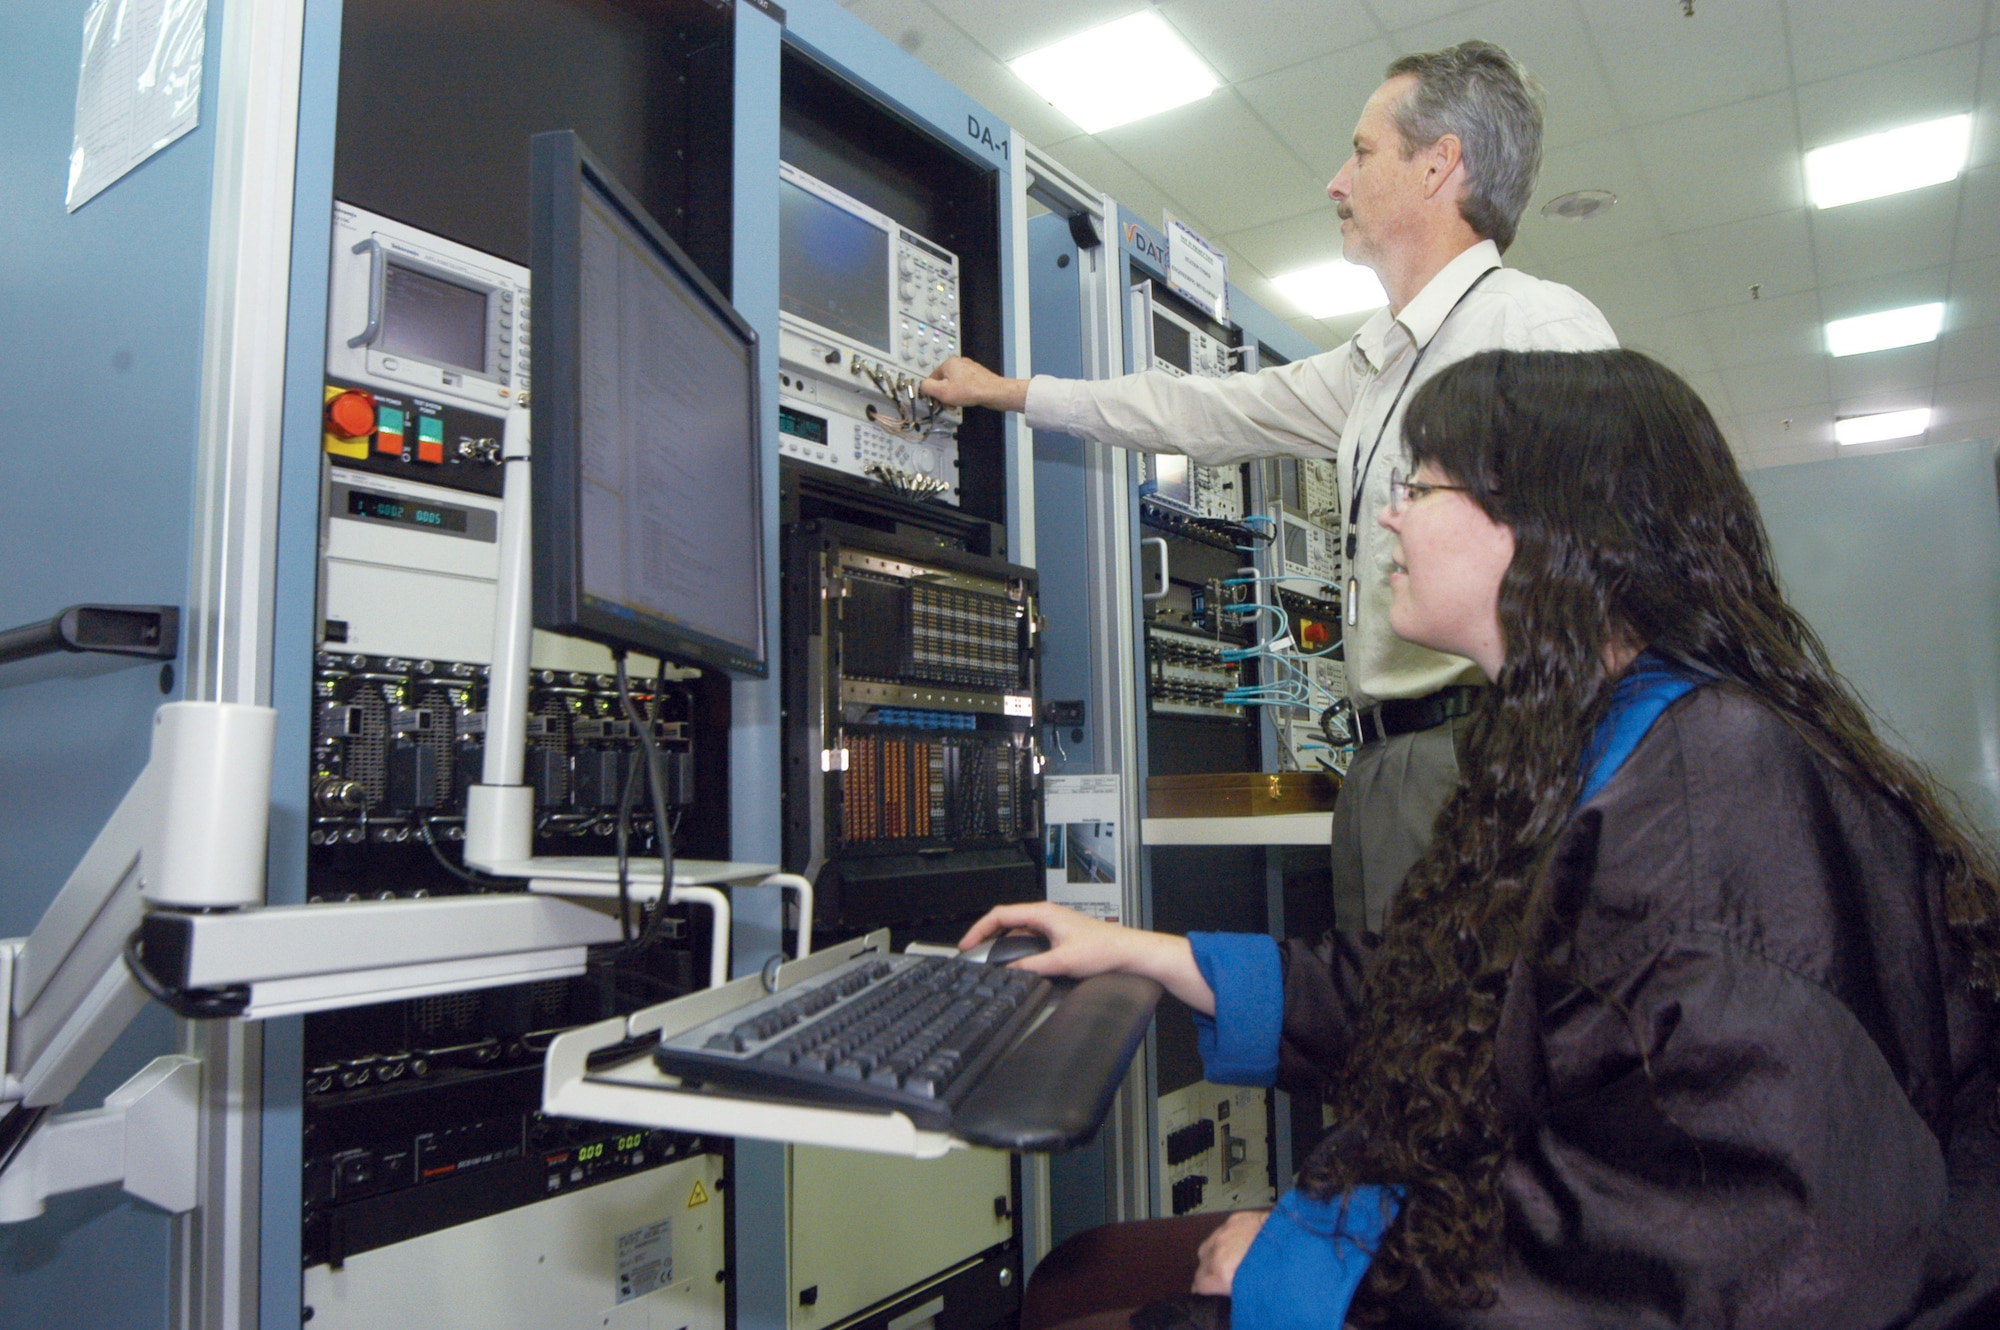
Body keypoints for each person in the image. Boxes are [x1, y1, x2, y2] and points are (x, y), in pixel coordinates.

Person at [963, 349, 2000, 1329]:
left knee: (1089, 1296)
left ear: (1543, 525)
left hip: (1632, 1280)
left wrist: (1325, 1265)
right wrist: (1144, 953)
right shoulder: (1603, 741)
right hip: (1550, 1245)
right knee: (1072, 1276)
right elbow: (1448, 999)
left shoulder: (1706, 793)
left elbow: (1742, 1233)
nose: (1386, 515)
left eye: (1417, 486)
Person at [923, 41, 1618, 933]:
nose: (1337, 180)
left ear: (1440, 163)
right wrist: (1011, 393)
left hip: (1485, 752)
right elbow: (1200, 411)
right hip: (1386, 765)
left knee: (1474, 1044)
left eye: (1363, 152)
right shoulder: (1377, 364)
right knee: (1389, 1042)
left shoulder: (1536, 327)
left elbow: (1607, 580)